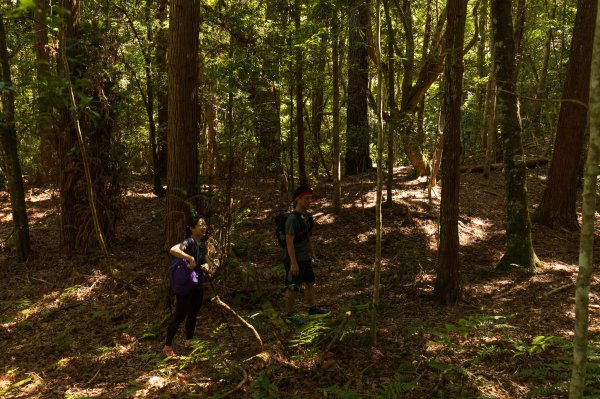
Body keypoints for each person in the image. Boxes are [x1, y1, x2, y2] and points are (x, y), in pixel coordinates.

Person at [163, 215, 211, 358]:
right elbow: (173, 249)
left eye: (204, 224)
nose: (204, 227)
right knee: (180, 315)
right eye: (200, 225)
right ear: (192, 228)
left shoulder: (203, 244)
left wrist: (207, 266)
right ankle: (167, 347)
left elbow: (207, 260)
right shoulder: (188, 242)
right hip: (186, 285)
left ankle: (189, 341)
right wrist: (189, 258)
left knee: (193, 315)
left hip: (198, 284)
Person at [283, 186, 329, 323]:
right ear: (298, 199)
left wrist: (313, 255)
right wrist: (293, 263)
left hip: (306, 258)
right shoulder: (292, 218)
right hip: (294, 259)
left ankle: (312, 309)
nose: (310, 201)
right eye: (306, 198)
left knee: (309, 283)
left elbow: (308, 238)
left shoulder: (307, 217)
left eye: (311, 198)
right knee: (292, 286)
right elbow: (289, 241)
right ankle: (289, 315)